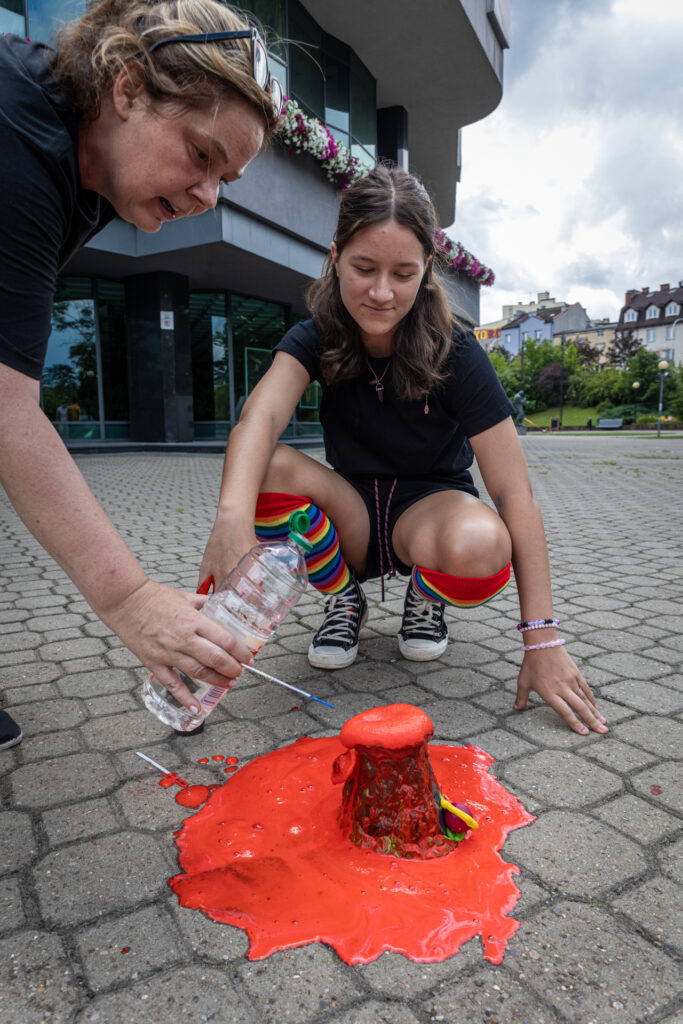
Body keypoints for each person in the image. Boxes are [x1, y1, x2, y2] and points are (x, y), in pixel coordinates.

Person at [200, 165, 609, 737]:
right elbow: (260, 417)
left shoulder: (458, 349)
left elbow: (515, 491)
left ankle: (425, 598)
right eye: (364, 268)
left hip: (431, 510)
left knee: (486, 538)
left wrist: (542, 638)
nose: (381, 292)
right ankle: (344, 602)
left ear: (427, 271)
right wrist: (231, 523)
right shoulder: (317, 333)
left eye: (403, 273)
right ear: (337, 255)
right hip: (353, 516)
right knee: (259, 466)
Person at [0, 0, 283, 746]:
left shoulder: (90, 172)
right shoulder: (18, 137)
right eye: (200, 154)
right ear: (128, 90)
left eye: (226, 177)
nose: (208, 196)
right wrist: (130, 600)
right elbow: (5, 407)